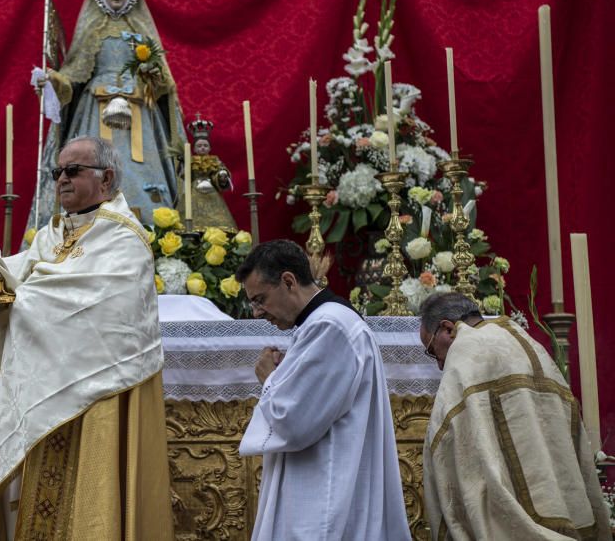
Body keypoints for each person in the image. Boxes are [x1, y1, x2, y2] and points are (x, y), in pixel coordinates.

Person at [0, 136, 174, 540]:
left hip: (97, 391)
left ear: (106, 178)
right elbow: (22, 277)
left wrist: (17, 296)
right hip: (43, 387)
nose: (62, 180)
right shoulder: (51, 235)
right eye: (57, 172)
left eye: (72, 171)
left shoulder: (124, 239)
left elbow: (102, 313)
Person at [236, 240, 411, 540]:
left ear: (288, 281)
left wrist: (269, 378)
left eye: (260, 299)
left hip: (323, 494)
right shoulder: (323, 322)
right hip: (324, 480)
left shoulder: (329, 326)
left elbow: (295, 421)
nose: (257, 312)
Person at [419, 292, 611, 540]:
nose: (439, 365)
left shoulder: (465, 351)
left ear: (447, 329)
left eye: (432, 351)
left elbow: (444, 438)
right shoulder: (524, 340)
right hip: (561, 499)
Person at [29, 0, 186, 230]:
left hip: (137, 112)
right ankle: (86, 223)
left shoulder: (142, 34)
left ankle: (155, 230)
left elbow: (165, 83)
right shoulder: (91, 32)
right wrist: (50, 80)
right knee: (93, 165)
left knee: (139, 173)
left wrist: (151, 78)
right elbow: (73, 78)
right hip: (95, 110)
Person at [175, 114, 237, 232]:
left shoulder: (215, 160)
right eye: (199, 146)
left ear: (209, 148)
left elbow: (220, 170)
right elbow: (184, 175)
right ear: (194, 149)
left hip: (211, 191)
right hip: (194, 191)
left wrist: (222, 175)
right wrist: (183, 163)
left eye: (205, 145)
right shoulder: (191, 160)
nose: (202, 148)